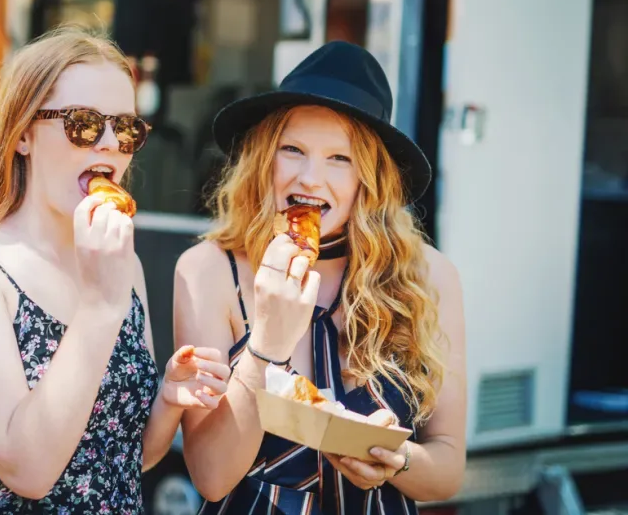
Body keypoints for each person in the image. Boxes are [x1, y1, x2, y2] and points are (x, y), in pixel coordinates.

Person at [0, 27, 232, 513]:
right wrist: (100, 306)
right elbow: (30, 471)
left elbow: (125, 460)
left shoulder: (123, 264)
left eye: (126, 128)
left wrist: (168, 398)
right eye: (82, 123)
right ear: (22, 133)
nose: (109, 144)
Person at [173, 41, 467, 513]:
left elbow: (449, 470)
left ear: (369, 179)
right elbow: (210, 476)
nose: (311, 178)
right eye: (292, 149)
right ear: (264, 158)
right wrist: (266, 343)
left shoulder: (429, 277)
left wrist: (398, 459)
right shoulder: (209, 271)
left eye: (340, 158)